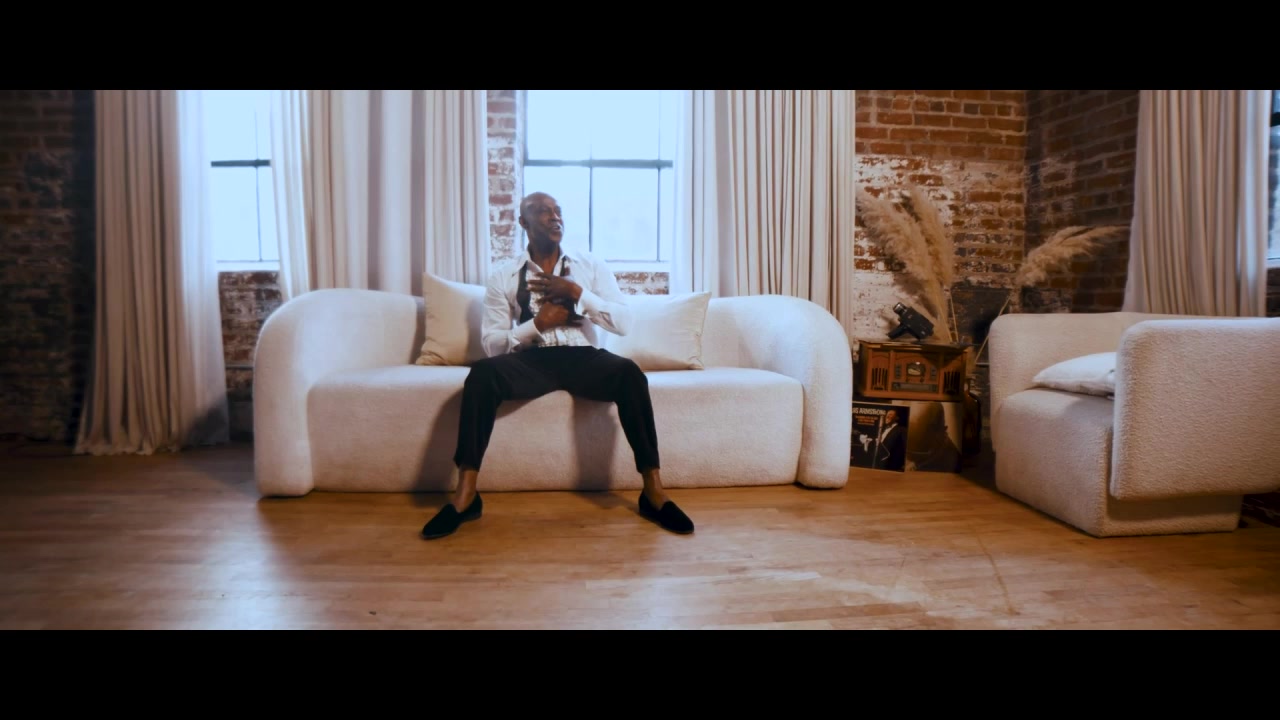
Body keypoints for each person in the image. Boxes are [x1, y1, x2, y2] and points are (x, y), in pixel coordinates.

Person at [421, 191, 694, 539]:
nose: (554, 217)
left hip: (583, 356)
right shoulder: (504, 275)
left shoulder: (589, 265)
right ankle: (466, 495)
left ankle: (653, 491)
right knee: (483, 375)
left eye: (557, 211)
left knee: (630, 374)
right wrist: (537, 324)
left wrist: (578, 293)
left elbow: (624, 323)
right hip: (532, 360)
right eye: (542, 211)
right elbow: (492, 345)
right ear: (523, 222)